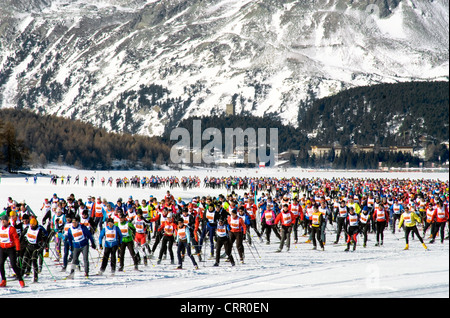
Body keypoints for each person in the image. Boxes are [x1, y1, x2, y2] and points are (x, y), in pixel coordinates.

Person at [0, 214, 25, 287]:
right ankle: (3, 280)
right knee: (0, 264)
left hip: (10, 249)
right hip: (2, 248)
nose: (3, 222)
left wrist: (18, 249)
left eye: (4, 220)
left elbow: (16, 239)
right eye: (2, 220)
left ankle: (20, 279)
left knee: (13, 265)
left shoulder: (11, 229)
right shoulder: (1, 228)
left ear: (7, 221)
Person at [20, 217, 46, 283]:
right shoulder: (27, 228)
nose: (32, 226)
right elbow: (22, 235)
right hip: (28, 246)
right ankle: (21, 275)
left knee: (34, 261)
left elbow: (44, 241)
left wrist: (41, 248)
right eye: (31, 224)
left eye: (33, 225)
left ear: (36, 224)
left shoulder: (39, 230)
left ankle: (35, 276)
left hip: (35, 248)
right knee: (24, 260)